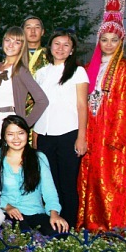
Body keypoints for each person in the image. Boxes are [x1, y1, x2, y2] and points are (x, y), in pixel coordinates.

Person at [78, 0, 126, 231]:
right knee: (91, 177)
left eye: (114, 40)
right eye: (104, 39)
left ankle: (114, 226)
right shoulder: (90, 67)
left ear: (121, 41)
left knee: (112, 181)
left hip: (112, 136)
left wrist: (115, 138)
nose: (109, 44)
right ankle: (90, 223)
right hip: (92, 130)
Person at [34, 29, 88, 229]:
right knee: (50, 184)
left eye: (66, 45)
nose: (61, 48)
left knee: (67, 184)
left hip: (68, 134)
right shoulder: (42, 73)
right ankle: (52, 226)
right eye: (57, 44)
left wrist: (81, 137)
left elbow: (82, 105)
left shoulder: (78, 72)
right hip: (45, 135)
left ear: (72, 50)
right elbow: (38, 107)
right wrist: (35, 136)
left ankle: (69, 227)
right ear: (50, 47)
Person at [0, 27, 49, 151]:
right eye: (8, 40)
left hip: (7, 125)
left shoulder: (20, 71)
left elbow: (42, 100)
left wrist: (24, 125)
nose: (11, 45)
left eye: (17, 42)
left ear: (22, 46)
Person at [0, 115, 69, 235]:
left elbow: (49, 192)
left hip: (35, 213)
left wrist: (54, 214)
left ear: (27, 134)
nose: (16, 138)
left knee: (59, 233)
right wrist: (7, 206)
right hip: (9, 213)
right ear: (4, 137)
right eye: (10, 134)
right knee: (19, 235)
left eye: (20, 133)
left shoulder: (38, 158)